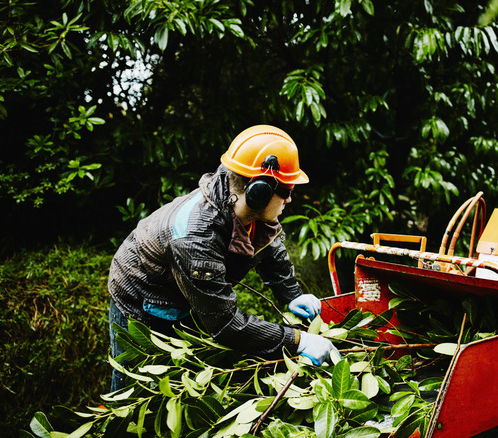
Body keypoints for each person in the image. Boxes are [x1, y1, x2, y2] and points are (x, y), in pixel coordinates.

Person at [107, 125, 338, 391]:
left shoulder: (253, 211)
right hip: (142, 296)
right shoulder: (195, 237)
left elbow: (271, 247)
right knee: (137, 387)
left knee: (187, 378)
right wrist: (299, 341)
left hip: (189, 286)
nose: (289, 199)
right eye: (286, 191)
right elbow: (225, 324)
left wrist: (291, 294)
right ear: (258, 191)